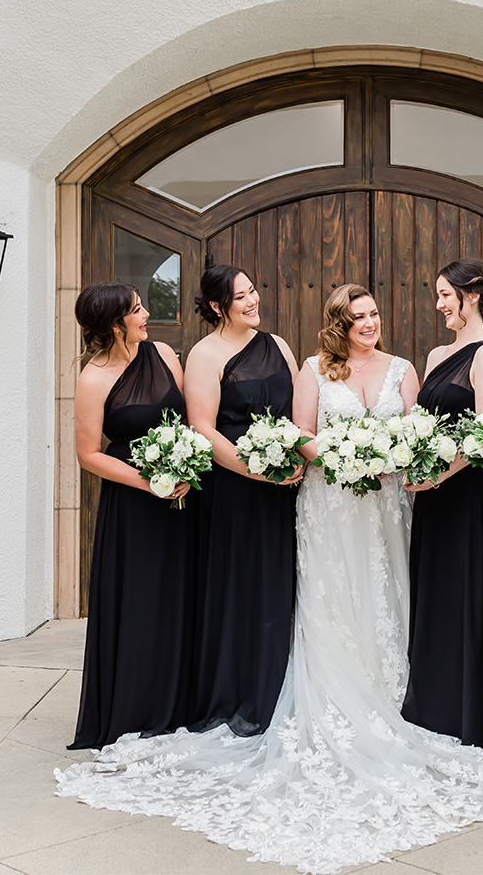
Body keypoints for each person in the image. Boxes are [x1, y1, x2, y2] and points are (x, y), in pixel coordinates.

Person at [55, 284, 483, 874]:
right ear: (337, 324)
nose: (370, 323)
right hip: (328, 503)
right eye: (358, 316)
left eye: (375, 313)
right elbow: (299, 432)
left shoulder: (406, 369)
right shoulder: (310, 368)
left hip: (388, 506)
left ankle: (404, 694)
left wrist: (400, 458)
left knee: (390, 592)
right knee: (327, 601)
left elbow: (420, 432)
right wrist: (333, 454)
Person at [67, 282, 194, 751]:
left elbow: (188, 423)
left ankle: (179, 703)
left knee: (179, 599)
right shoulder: (93, 378)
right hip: (132, 506)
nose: (146, 315)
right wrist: (147, 482)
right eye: (138, 310)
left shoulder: (164, 354)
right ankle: (135, 706)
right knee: (139, 601)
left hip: (181, 499)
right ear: (115, 324)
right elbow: (88, 454)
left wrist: (186, 466)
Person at [180, 264, 301, 737]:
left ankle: (277, 689)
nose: (253, 301)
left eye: (254, 290)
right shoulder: (205, 354)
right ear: (217, 306)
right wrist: (259, 470)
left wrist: (295, 460)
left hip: (283, 487)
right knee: (238, 586)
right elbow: (202, 428)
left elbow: (297, 411)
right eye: (241, 296)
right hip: (233, 488)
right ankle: (236, 692)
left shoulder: (279, 346)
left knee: (278, 584)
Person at [401, 258, 483, 748]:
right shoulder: (435, 355)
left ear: (471, 296)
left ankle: (462, 707)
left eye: (446, 295)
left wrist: (437, 476)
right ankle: (431, 702)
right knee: (433, 590)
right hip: (431, 496)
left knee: (462, 592)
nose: (440, 305)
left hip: (464, 494)